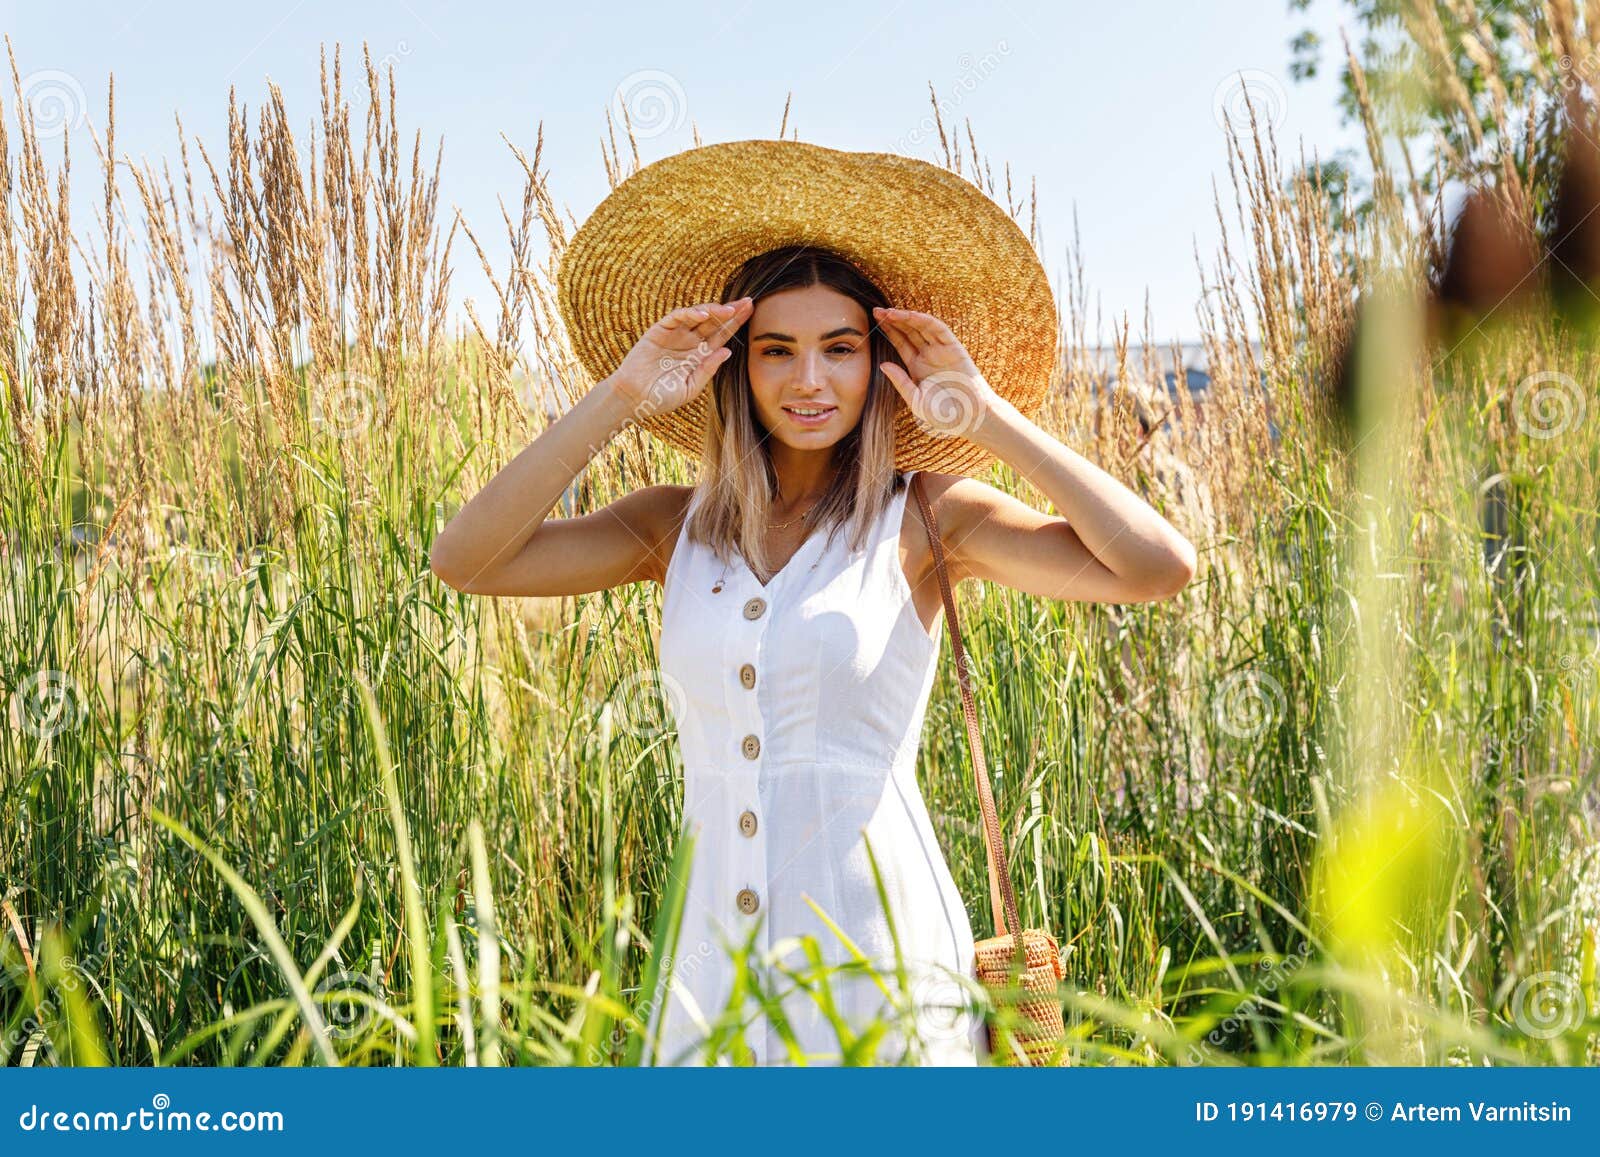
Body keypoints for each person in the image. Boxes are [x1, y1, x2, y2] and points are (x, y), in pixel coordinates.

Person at [428, 140, 1196, 1065]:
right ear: (735, 369)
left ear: (877, 363)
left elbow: (1158, 566)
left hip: (880, 954)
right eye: (776, 351)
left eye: (841, 348)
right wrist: (620, 397)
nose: (808, 381)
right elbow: (467, 558)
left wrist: (985, 416)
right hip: (708, 961)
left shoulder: (925, 518)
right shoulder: (674, 529)